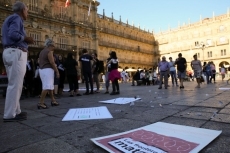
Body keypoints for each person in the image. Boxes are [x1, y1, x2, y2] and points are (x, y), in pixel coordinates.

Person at [2, 2, 34, 122]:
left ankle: (16, 111)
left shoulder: (10, 18)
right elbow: (13, 34)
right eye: (26, 10)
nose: (27, 13)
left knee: (16, 84)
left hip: (11, 52)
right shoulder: (16, 18)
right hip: (15, 52)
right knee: (15, 85)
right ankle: (9, 115)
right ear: (22, 10)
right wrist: (26, 38)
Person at [38, 38, 59, 109]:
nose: (54, 47)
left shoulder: (42, 51)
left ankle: (53, 100)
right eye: (53, 46)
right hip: (48, 70)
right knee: (47, 86)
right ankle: (41, 102)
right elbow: (52, 63)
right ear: (50, 45)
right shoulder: (49, 52)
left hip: (42, 70)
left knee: (49, 86)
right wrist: (57, 71)